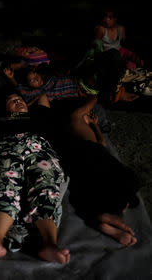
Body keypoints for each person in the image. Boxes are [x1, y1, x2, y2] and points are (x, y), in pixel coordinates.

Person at [0, 88, 70, 264]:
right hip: (8, 147)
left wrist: (24, 102)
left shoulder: (38, 116)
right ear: (4, 108)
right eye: (12, 101)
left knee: (45, 187)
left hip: (39, 149)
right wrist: (4, 106)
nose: (18, 101)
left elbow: (42, 96)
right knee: (5, 186)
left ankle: (50, 244)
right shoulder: (0, 120)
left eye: (20, 99)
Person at [57, 95, 140, 247]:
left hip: (84, 156)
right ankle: (112, 213)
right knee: (120, 178)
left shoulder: (78, 124)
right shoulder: (76, 117)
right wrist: (93, 96)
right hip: (87, 151)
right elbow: (93, 100)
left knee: (98, 184)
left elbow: (101, 144)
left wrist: (94, 125)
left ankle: (103, 217)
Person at [4, 64, 81, 106]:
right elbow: (20, 89)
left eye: (35, 74)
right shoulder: (36, 92)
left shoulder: (47, 74)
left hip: (77, 79)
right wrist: (11, 78)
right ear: (29, 86)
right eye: (32, 80)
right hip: (80, 93)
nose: (36, 78)